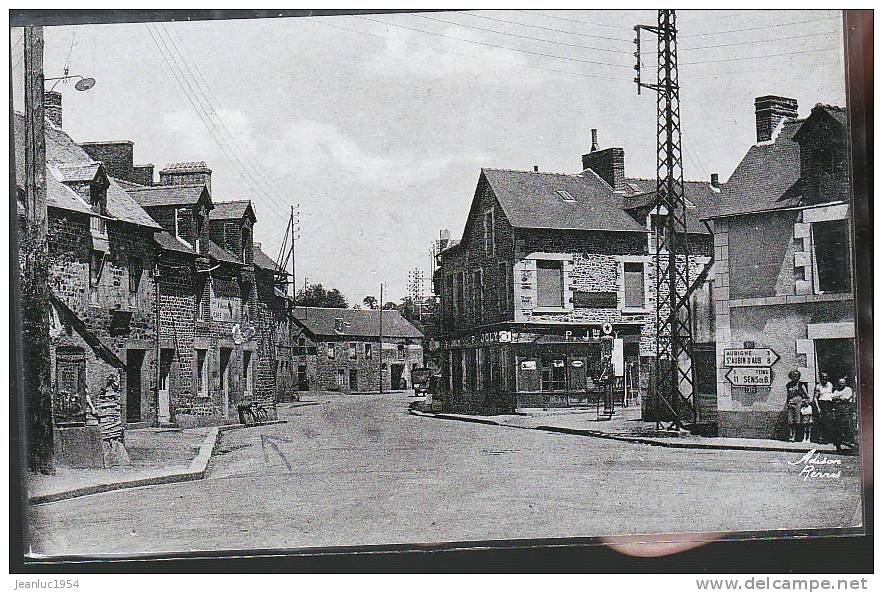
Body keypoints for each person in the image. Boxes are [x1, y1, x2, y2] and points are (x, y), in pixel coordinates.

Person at [830, 377, 856, 452]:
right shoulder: (836, 390)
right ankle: (838, 446)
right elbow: (832, 397)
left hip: (846, 411)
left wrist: (838, 398)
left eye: (842, 383)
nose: (841, 384)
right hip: (838, 412)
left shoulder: (848, 389)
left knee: (846, 427)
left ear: (845, 383)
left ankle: (848, 442)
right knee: (837, 428)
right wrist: (840, 398)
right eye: (840, 383)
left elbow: (846, 398)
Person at [784, 370, 808, 442]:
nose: (795, 377)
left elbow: (806, 395)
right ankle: (791, 436)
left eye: (796, 375)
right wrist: (787, 403)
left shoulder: (801, 385)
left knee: (798, 421)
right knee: (790, 421)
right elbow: (788, 395)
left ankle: (797, 437)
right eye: (793, 375)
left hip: (798, 404)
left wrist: (803, 401)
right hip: (790, 404)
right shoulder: (789, 385)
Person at [813, 372, 835, 443]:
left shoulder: (830, 384)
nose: (824, 379)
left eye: (826, 377)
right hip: (822, 404)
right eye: (823, 377)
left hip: (829, 404)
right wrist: (818, 408)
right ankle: (821, 438)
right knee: (821, 422)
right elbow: (815, 398)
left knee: (828, 421)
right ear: (821, 378)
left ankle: (828, 438)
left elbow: (832, 395)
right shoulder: (818, 386)